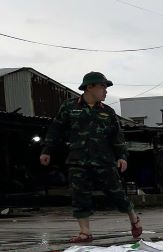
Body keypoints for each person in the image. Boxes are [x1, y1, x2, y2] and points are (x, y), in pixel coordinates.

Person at [39, 71, 141, 243]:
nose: (106, 91)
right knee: (79, 196)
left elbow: (117, 137)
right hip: (78, 160)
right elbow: (55, 129)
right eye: (103, 87)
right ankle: (85, 232)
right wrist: (46, 150)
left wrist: (122, 156)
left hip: (104, 160)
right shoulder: (69, 107)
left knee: (116, 194)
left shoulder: (108, 112)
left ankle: (134, 218)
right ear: (89, 87)